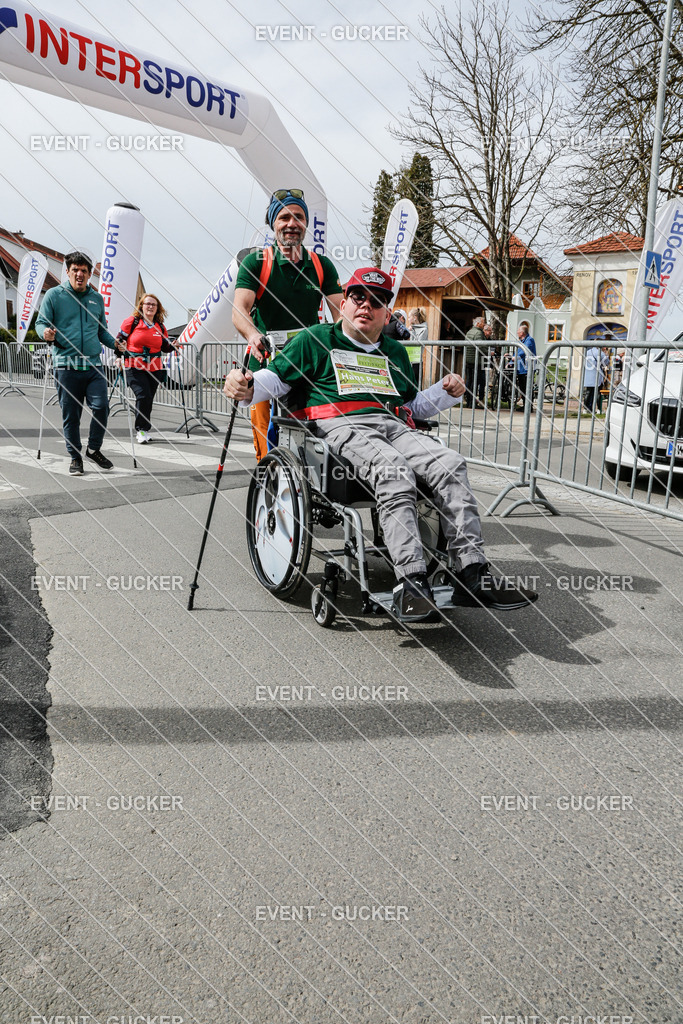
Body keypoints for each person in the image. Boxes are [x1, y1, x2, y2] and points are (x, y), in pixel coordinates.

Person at [224, 266, 538, 622]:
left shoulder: (394, 351)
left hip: (393, 425)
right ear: (344, 303)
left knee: (451, 463)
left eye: (377, 301)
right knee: (395, 471)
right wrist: (244, 384)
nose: (366, 306)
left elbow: (411, 406)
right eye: (358, 297)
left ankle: (471, 572)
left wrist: (444, 393)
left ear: (386, 312)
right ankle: (411, 580)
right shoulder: (314, 339)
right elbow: (272, 381)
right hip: (339, 424)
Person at [232, 188, 343, 461]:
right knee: (265, 438)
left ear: (305, 224)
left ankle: (302, 489)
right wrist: (253, 334)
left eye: (298, 217)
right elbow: (239, 310)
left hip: (307, 363)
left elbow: (342, 314)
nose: (291, 224)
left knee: (305, 430)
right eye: (283, 217)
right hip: (265, 360)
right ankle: (267, 482)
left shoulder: (321, 265)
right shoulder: (256, 262)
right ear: (273, 224)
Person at [36, 250, 123, 475]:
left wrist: (116, 344)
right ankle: (75, 457)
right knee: (71, 416)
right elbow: (40, 323)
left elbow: (102, 332)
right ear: (67, 271)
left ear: (89, 273)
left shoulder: (97, 299)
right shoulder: (54, 295)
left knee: (102, 407)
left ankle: (93, 449)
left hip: (94, 366)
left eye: (84, 271)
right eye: (75, 270)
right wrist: (45, 333)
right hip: (66, 365)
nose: (80, 274)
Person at [117, 294, 179, 443]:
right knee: (143, 395)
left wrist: (172, 346)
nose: (150, 307)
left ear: (157, 308)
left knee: (148, 399)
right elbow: (120, 340)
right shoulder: (132, 322)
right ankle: (141, 430)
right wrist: (119, 356)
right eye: (147, 304)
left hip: (155, 368)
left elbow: (164, 346)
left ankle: (145, 428)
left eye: (153, 304)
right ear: (141, 306)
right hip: (134, 366)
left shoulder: (160, 326)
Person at [464, 316, 487, 408]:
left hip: (469, 361)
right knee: (474, 383)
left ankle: (469, 402)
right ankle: (471, 403)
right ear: (478, 324)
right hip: (476, 361)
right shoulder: (478, 333)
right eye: (483, 323)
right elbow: (480, 346)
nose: (484, 324)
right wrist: (488, 352)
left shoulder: (470, 332)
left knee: (469, 382)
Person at [515, 324, 537, 411]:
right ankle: (525, 406)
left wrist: (514, 357)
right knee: (523, 388)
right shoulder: (522, 341)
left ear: (522, 333)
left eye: (518, 331)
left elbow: (524, 351)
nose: (517, 333)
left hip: (527, 368)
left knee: (527, 387)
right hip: (521, 368)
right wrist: (510, 361)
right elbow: (517, 352)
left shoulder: (529, 340)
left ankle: (528, 407)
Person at [583, 344, 605, 412]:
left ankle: (586, 409)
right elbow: (606, 361)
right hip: (596, 374)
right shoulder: (599, 353)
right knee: (598, 392)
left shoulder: (587, 352)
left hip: (588, 374)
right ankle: (598, 409)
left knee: (588, 392)